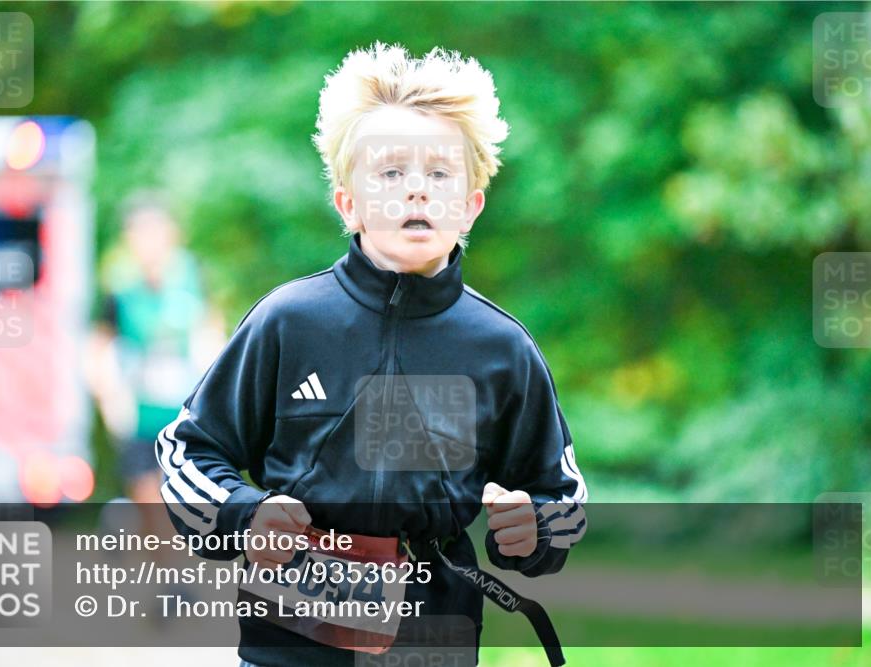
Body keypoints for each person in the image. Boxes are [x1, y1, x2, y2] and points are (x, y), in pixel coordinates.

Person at [156, 43, 588, 667]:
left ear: (471, 205)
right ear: (348, 203)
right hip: (291, 639)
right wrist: (243, 514)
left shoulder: (502, 348)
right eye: (390, 173)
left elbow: (560, 491)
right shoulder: (287, 322)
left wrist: (537, 527)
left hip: (433, 636)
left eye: (440, 174)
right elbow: (185, 451)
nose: (416, 189)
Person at [87, 192, 225, 555]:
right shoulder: (121, 291)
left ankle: (173, 580)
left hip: (182, 415)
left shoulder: (192, 279)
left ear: (171, 235)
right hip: (139, 416)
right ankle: (166, 579)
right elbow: (99, 347)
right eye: (139, 234)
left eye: (154, 233)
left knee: (178, 501)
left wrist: (215, 392)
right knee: (148, 499)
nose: (147, 242)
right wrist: (109, 398)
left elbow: (211, 331)